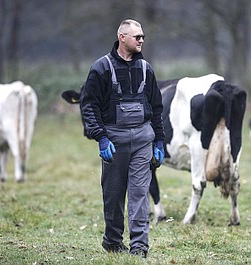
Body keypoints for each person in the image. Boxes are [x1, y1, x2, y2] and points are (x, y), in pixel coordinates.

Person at [80, 19, 165, 258]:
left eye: (143, 37)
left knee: (139, 193)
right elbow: (89, 105)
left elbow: (156, 108)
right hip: (114, 141)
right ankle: (113, 241)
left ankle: (139, 246)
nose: (141, 40)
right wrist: (101, 137)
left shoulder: (146, 69)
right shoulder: (101, 68)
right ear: (122, 37)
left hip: (142, 140)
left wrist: (159, 141)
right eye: (137, 36)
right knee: (114, 194)